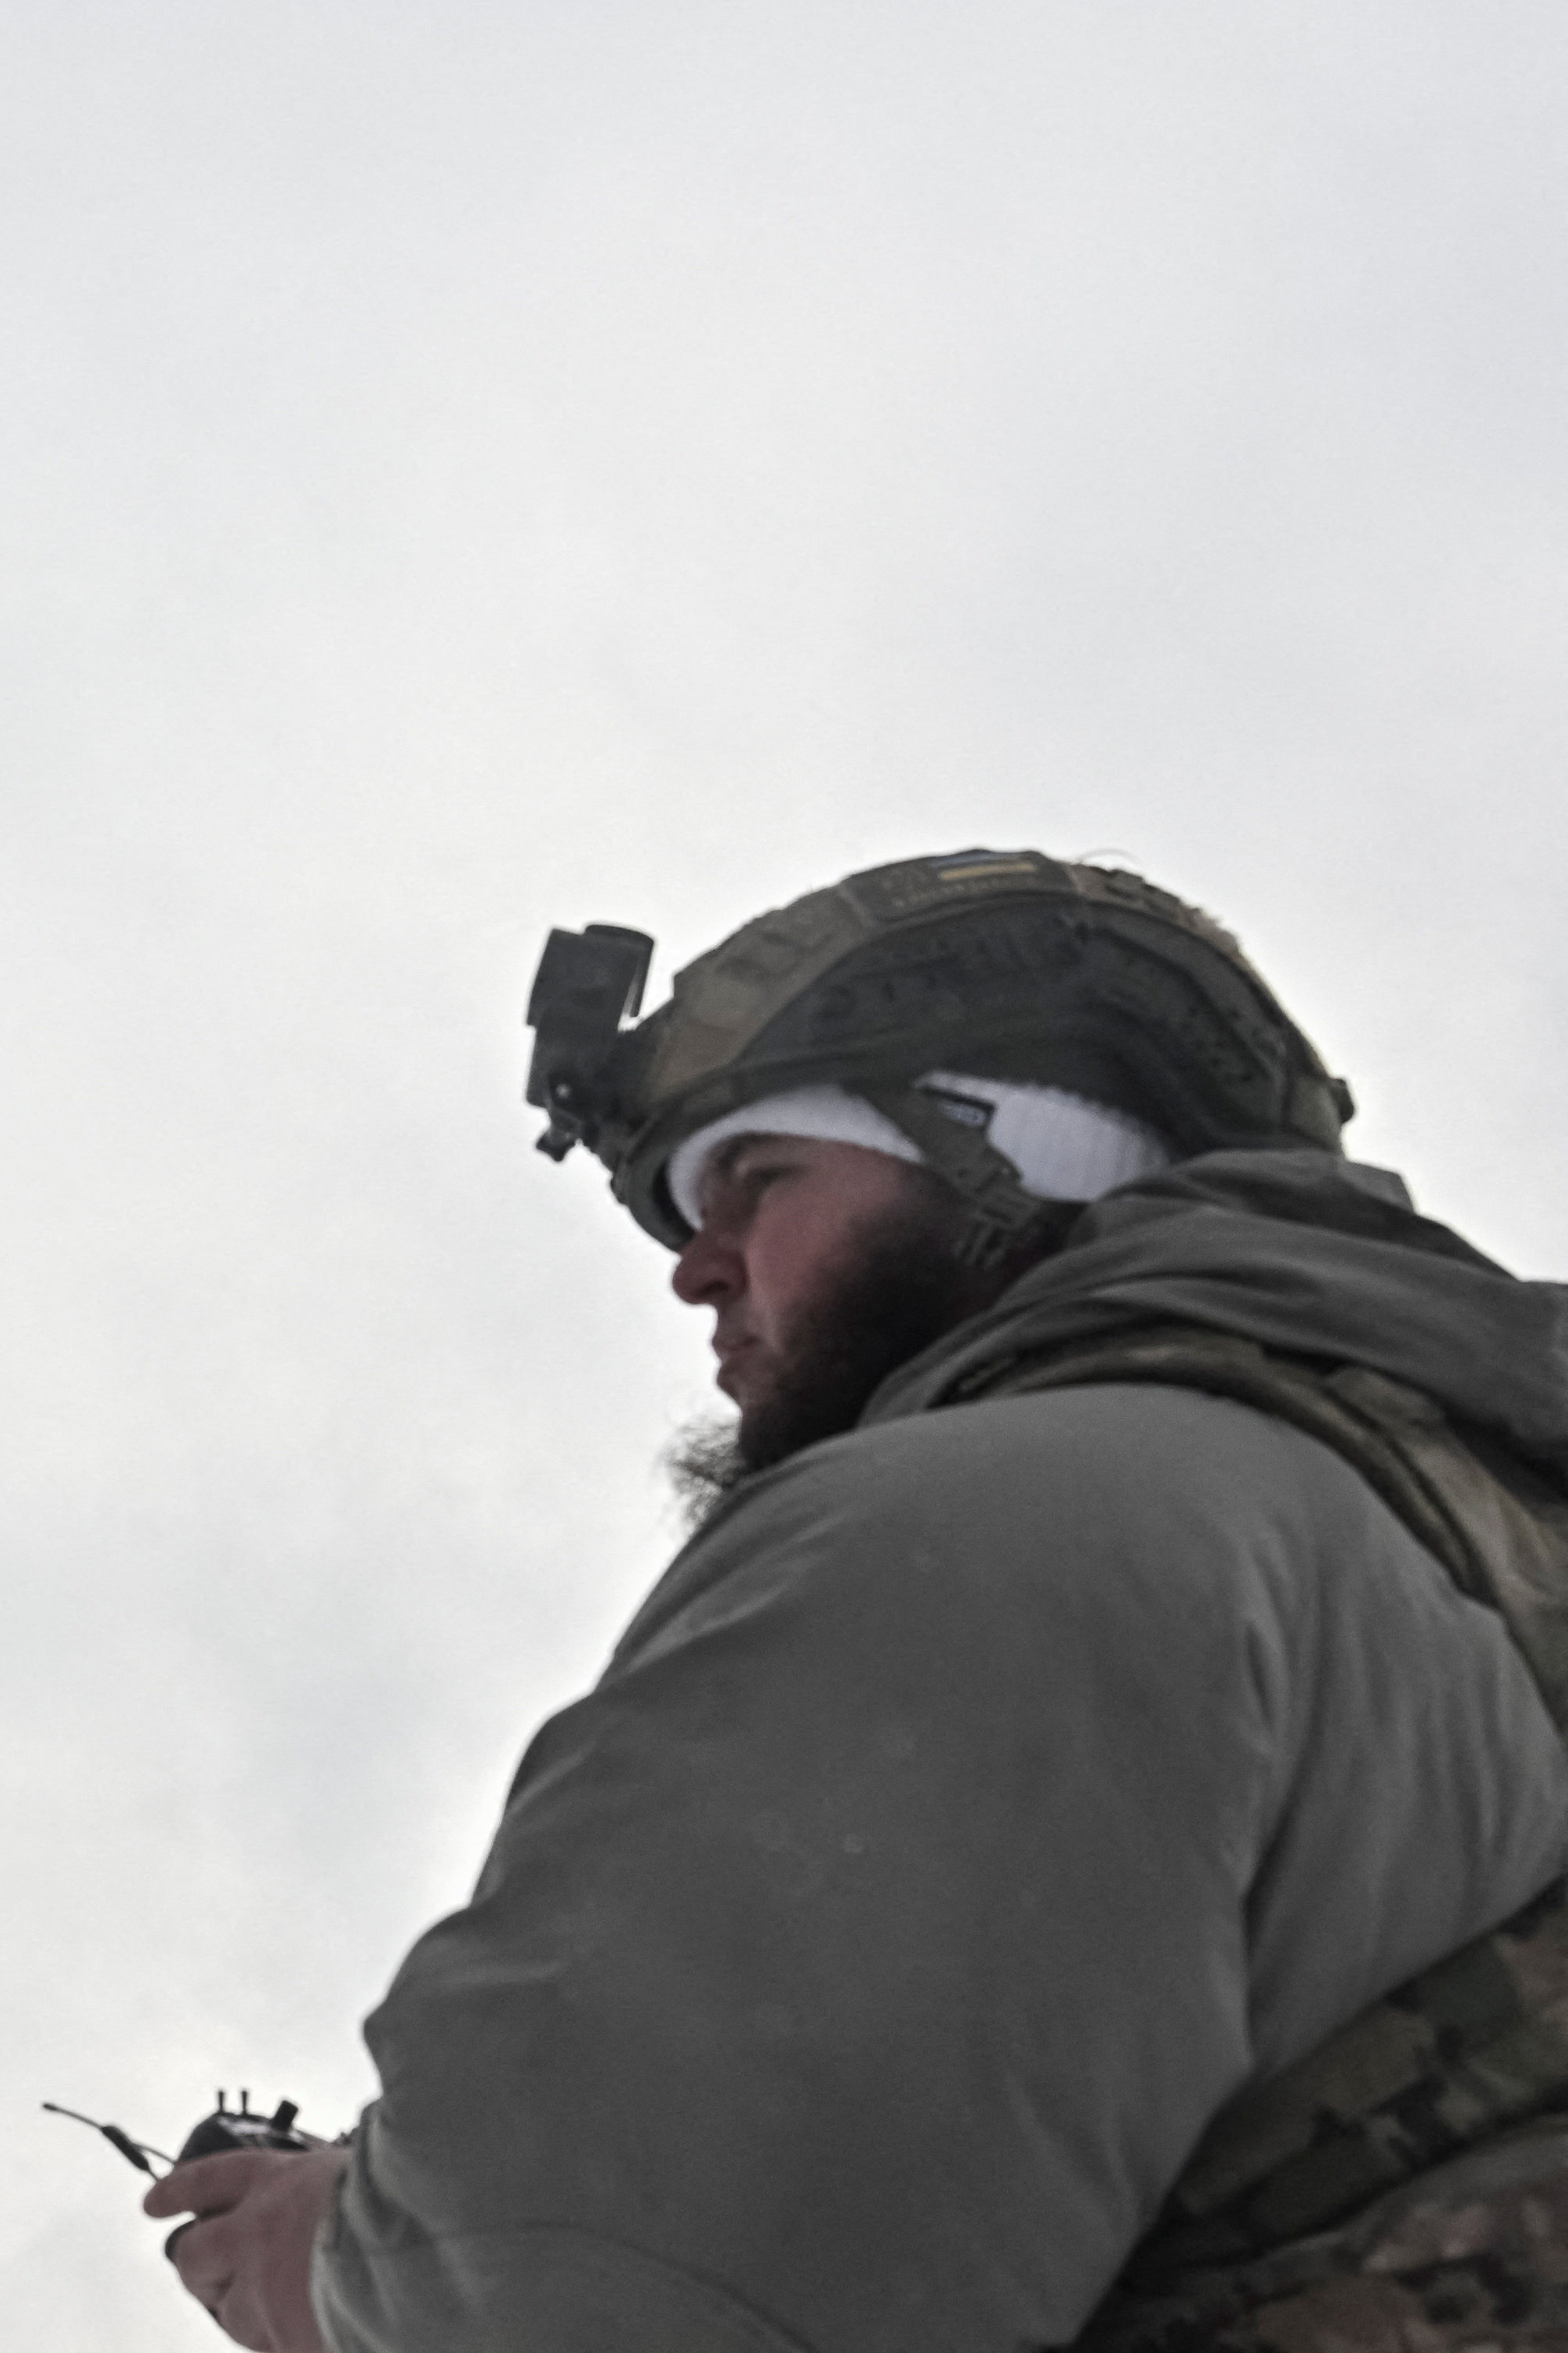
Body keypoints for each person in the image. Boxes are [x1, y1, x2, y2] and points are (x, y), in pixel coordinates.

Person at [146, 848, 1568, 2353]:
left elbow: (604, 2285)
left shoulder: (1003, 1526)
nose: (697, 1272)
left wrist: (335, 2267)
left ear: (1021, 1161)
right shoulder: (1455, 1550)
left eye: (760, 1181)